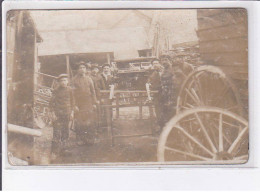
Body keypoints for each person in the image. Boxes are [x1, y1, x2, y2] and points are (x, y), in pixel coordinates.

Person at [72, 61, 98, 145]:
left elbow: (93, 91)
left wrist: (94, 103)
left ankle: (90, 139)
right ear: (77, 70)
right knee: (79, 122)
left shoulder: (89, 79)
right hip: (79, 103)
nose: (82, 69)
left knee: (90, 121)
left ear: (86, 69)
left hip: (88, 102)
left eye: (84, 68)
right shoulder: (73, 80)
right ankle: (80, 139)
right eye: (80, 68)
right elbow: (72, 94)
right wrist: (74, 105)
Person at [49, 74, 75, 157]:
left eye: (65, 80)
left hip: (66, 114)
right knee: (56, 133)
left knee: (65, 132)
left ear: (67, 81)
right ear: (59, 82)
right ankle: (54, 152)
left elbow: (73, 102)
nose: (63, 82)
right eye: (61, 81)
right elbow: (51, 103)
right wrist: (52, 113)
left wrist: (72, 112)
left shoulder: (70, 90)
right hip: (57, 114)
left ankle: (64, 149)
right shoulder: (56, 91)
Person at [147, 59, 164, 128]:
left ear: (159, 64)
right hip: (156, 93)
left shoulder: (163, 71)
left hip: (163, 92)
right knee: (157, 108)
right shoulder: (153, 72)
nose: (155, 65)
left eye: (157, 63)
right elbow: (150, 80)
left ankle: (163, 123)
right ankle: (160, 123)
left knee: (163, 108)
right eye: (154, 64)